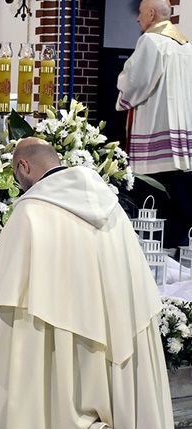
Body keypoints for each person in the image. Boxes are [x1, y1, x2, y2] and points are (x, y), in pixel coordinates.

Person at [0, 137, 190, 429]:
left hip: (62, 337)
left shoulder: (30, 211)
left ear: (24, 167)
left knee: (61, 408)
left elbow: (12, 306)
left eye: (16, 174)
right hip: (115, 329)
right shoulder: (110, 205)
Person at [116, 0, 192, 251]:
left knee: (153, 199)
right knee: (180, 199)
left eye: (140, 13)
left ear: (150, 13)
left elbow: (135, 82)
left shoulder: (151, 41)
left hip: (156, 133)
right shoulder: (186, 46)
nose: (138, 20)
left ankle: (153, 253)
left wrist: (123, 91)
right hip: (182, 136)